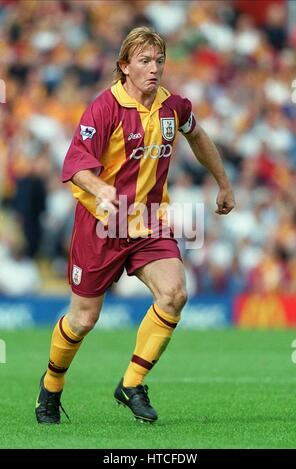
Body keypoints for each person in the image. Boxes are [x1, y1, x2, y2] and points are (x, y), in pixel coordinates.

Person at [35, 26, 235, 425]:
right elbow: (75, 165)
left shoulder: (173, 107)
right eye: (144, 61)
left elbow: (199, 136)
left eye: (159, 60)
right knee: (83, 319)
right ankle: (51, 387)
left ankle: (132, 383)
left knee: (175, 293)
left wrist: (224, 182)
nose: (154, 68)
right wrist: (100, 187)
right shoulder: (104, 108)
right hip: (100, 224)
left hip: (149, 221)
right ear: (124, 66)